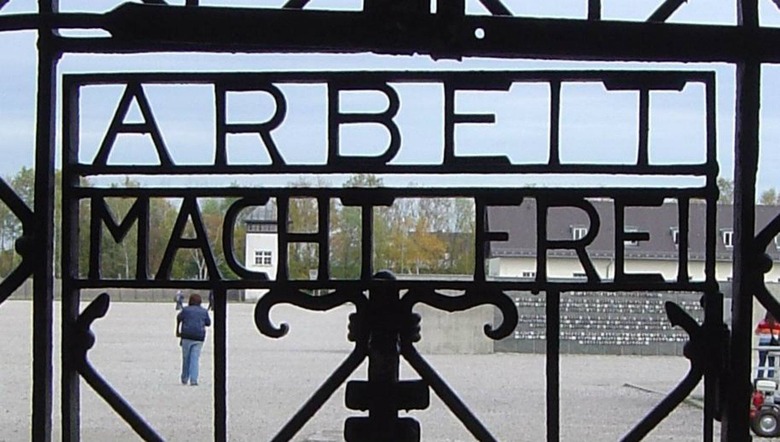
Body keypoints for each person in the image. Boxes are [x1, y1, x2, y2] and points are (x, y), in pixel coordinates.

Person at [176, 293, 211, 386]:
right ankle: (194, 380)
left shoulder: (185, 310)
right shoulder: (204, 311)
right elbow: (208, 323)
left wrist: (177, 330)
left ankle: (184, 378)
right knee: (195, 358)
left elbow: (179, 318)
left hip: (186, 335)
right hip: (199, 336)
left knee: (186, 358)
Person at [756, 311, 780, 378]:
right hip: (772, 344)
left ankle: (759, 377)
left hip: (763, 344)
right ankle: (770, 377)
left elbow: (757, 332)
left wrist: (764, 333)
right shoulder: (777, 324)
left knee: (762, 362)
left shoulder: (762, 323)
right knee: (771, 362)